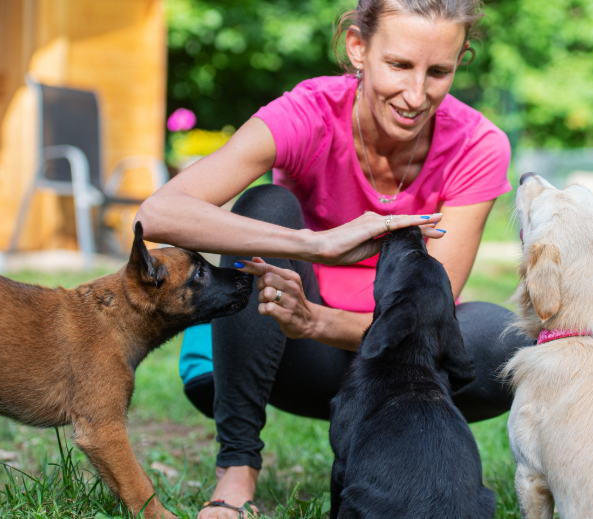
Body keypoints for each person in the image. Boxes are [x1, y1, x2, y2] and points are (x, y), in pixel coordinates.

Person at [136, 0, 531, 516]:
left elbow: (428, 317)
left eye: (439, 72)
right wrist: (315, 244)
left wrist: (316, 320)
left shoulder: (478, 144)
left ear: (461, 60)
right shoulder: (308, 114)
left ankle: (389, 456)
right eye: (399, 65)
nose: (416, 95)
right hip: (281, 357)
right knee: (266, 206)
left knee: (512, 343)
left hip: (392, 365)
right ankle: (236, 472)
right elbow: (158, 213)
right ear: (358, 48)